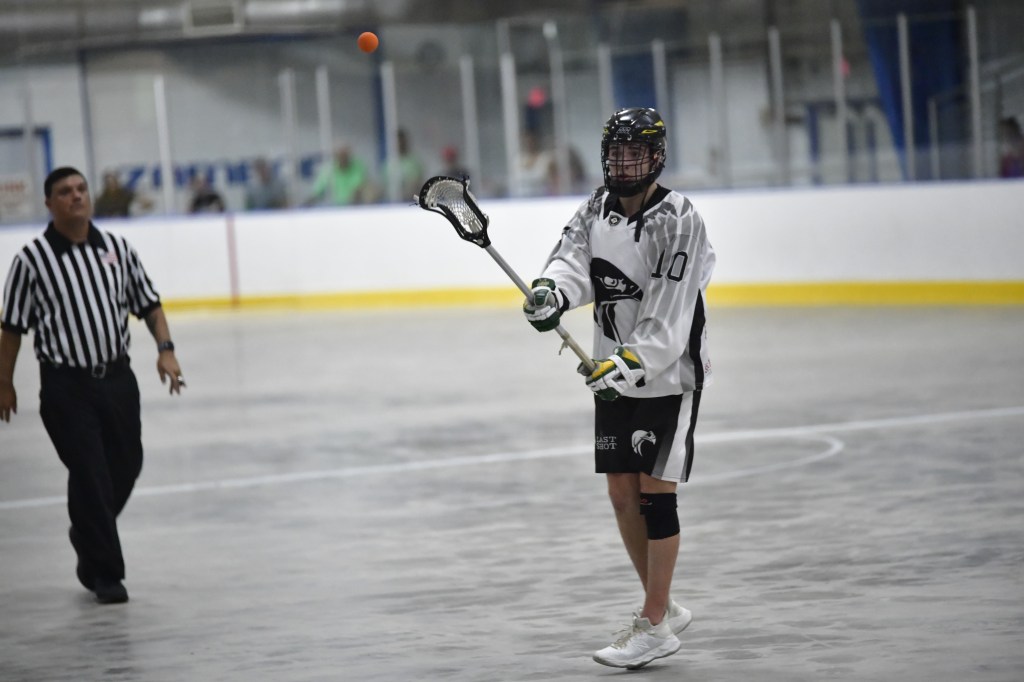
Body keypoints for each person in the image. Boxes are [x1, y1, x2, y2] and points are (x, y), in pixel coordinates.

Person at [521, 107, 715, 669]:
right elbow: (572, 262)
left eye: (635, 153)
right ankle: (665, 604)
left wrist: (627, 365)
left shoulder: (679, 220)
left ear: (656, 157)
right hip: (612, 370)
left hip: (668, 375)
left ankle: (653, 624)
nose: (623, 162)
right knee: (622, 494)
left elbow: (668, 316)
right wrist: (552, 293)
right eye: (616, 152)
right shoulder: (595, 208)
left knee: (656, 493)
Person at [0, 167, 186, 605]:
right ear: (49, 204)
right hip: (66, 386)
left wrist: (166, 349)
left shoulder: (117, 249)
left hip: (118, 380)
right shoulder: (32, 260)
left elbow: (149, 304)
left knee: (127, 464)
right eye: (65, 192)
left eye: (81, 189)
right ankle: (105, 572)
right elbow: (11, 330)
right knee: (90, 472)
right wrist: (4, 382)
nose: (76, 196)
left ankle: (87, 529)